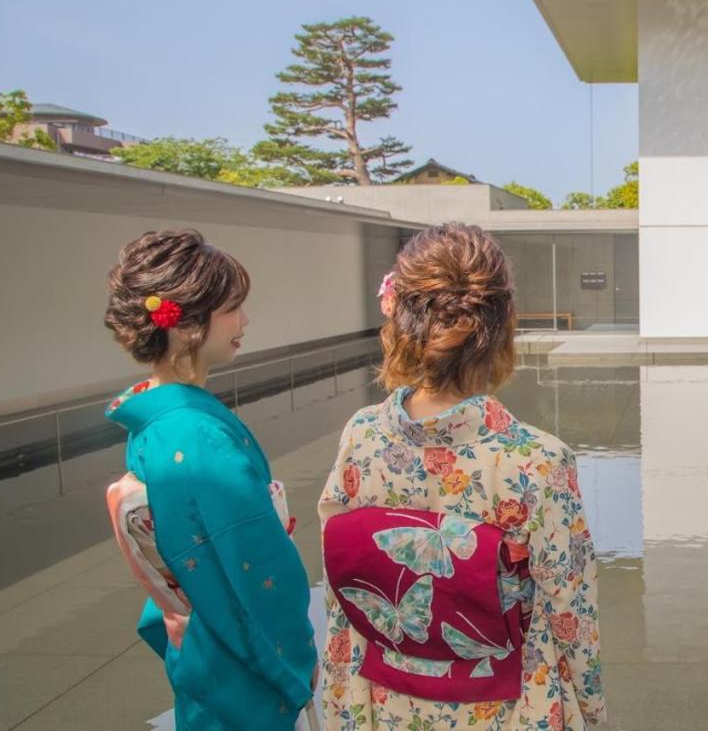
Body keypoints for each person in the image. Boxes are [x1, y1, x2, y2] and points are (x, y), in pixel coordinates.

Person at [319, 222, 605, 730]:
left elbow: (345, 583)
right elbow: (571, 613)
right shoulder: (535, 460)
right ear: (503, 322)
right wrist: (591, 707)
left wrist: (343, 696)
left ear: (399, 316)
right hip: (507, 703)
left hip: (387, 698)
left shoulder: (362, 437)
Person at [102, 229, 317, 729]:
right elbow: (253, 571)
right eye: (232, 309)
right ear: (185, 323)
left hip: (200, 638)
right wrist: (294, 662)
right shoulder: (196, 435)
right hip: (238, 662)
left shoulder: (154, 418)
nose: (245, 320)